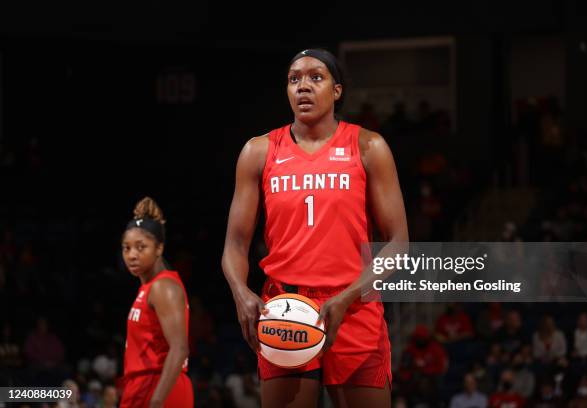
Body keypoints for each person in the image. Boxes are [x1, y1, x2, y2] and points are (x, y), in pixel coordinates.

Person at [222, 48, 408, 408]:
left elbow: (398, 242)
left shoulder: (369, 146)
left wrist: (348, 296)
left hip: (353, 306)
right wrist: (240, 292)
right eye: (294, 79)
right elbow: (235, 243)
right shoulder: (258, 152)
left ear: (337, 91)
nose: (303, 86)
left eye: (315, 77)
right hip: (285, 308)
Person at [118, 197, 193, 407]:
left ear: (159, 248)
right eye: (127, 248)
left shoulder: (163, 287)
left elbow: (179, 348)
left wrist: (157, 401)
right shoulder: (150, 288)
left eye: (141, 247)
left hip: (158, 387)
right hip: (144, 386)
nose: (132, 255)